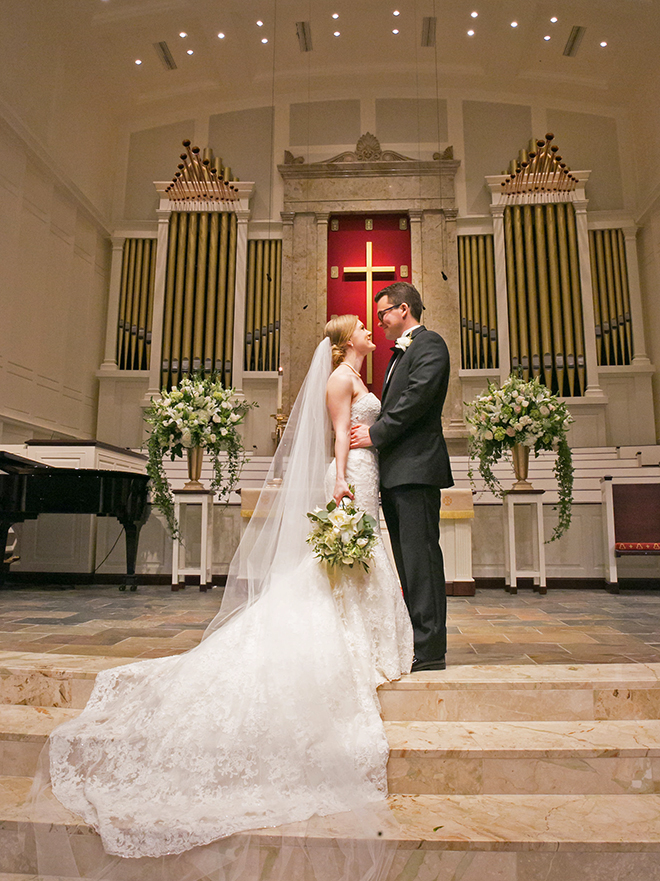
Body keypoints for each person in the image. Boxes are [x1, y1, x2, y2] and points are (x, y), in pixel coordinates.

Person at [38, 315, 412, 875]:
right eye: (360, 326)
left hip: (368, 471)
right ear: (341, 344)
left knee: (360, 557)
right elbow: (338, 433)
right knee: (344, 558)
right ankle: (348, 633)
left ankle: (364, 631)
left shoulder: (362, 378)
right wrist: (338, 479)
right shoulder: (340, 381)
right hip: (352, 476)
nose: (366, 328)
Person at [351, 282, 453, 672]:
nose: (380, 322)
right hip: (397, 473)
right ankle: (415, 640)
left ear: (405, 309)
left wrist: (375, 434)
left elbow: (418, 397)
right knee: (408, 564)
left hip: (416, 470)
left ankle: (430, 650)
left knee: (421, 561)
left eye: (384, 313)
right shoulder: (400, 353)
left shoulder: (430, 345)